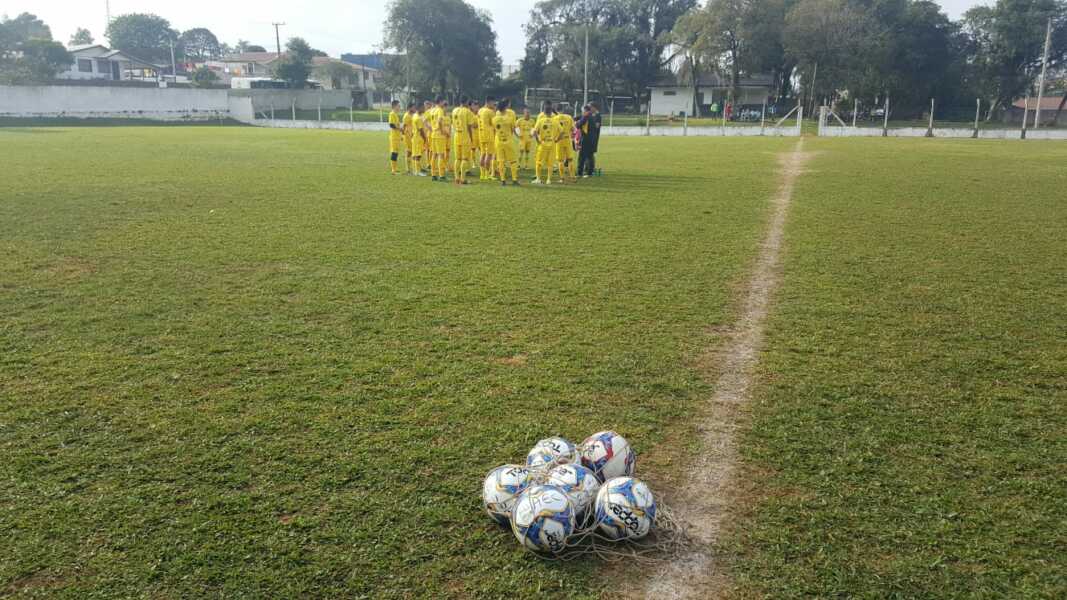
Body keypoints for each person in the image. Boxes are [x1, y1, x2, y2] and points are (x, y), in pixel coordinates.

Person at [492, 99, 520, 186]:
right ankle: (514, 179)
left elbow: (494, 130)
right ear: (505, 107)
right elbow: (513, 129)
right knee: (513, 161)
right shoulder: (510, 118)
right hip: (508, 141)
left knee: (501, 161)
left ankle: (503, 180)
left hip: (498, 141)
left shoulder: (494, 119)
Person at [532, 101, 559, 185]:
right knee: (550, 163)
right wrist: (556, 139)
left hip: (542, 143)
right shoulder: (555, 120)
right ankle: (548, 180)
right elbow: (561, 131)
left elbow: (534, 132)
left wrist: (537, 140)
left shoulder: (540, 119)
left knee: (539, 161)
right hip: (552, 143)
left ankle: (538, 178)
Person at [451, 96, 475, 185]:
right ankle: (463, 179)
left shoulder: (454, 110)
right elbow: (469, 127)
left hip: (456, 135)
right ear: (466, 101)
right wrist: (471, 138)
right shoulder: (467, 111)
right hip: (465, 136)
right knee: (464, 159)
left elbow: (453, 124)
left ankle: (456, 178)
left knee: (457, 158)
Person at [576, 103, 602, 178]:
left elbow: (578, 125)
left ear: (585, 110)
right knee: (590, 156)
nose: (582, 112)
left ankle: (579, 173)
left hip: (585, 139)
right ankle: (589, 173)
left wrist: (576, 123)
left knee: (581, 157)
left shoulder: (586, 116)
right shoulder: (592, 116)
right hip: (592, 139)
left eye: (582, 111)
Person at [552, 107, 577, 183]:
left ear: (556, 111)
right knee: (570, 159)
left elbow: (554, 130)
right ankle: (572, 177)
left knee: (560, 160)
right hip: (568, 140)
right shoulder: (569, 117)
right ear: (563, 110)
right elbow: (574, 130)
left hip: (559, 141)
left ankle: (562, 178)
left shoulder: (555, 118)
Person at [430, 98, 451, 182]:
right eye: (443, 101)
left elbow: (425, 120)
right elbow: (439, 122)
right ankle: (441, 176)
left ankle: (433, 175)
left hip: (433, 134)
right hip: (439, 135)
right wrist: (443, 131)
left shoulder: (432, 110)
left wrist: (432, 128)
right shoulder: (440, 110)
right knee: (441, 155)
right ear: (440, 102)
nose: (443, 103)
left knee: (434, 155)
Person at [477, 96, 497, 181]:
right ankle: (487, 174)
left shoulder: (480, 110)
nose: (494, 105)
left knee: (482, 153)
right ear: (489, 102)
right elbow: (494, 124)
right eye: (493, 103)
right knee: (489, 154)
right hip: (488, 134)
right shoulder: (490, 112)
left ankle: (482, 174)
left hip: (481, 134)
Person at [410, 103, 429, 177]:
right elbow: (421, 130)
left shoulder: (414, 115)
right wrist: (425, 139)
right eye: (423, 108)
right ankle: (417, 171)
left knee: (415, 154)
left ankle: (416, 170)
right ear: (420, 108)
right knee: (418, 155)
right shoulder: (418, 118)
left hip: (415, 137)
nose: (424, 109)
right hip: (418, 138)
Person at [387, 100, 404, 175]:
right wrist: (399, 129)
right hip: (394, 137)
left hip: (397, 137)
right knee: (394, 153)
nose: (399, 107)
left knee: (396, 153)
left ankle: (395, 169)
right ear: (394, 106)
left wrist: (400, 134)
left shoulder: (396, 114)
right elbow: (391, 125)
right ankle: (393, 170)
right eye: (398, 106)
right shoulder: (392, 114)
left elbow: (396, 125)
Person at [402, 102, 415, 173]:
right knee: (408, 151)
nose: (414, 108)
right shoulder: (406, 116)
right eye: (413, 107)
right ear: (410, 108)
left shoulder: (412, 115)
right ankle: (408, 169)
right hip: (407, 136)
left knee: (412, 151)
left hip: (412, 136)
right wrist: (403, 135)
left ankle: (412, 167)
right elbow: (403, 126)